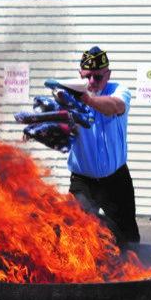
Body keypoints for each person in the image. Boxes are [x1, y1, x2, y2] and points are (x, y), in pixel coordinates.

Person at [58, 46, 140, 248]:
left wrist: (86, 98)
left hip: (116, 180)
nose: (92, 82)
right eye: (87, 77)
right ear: (80, 75)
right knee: (80, 225)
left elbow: (114, 107)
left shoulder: (120, 91)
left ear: (108, 74)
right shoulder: (69, 97)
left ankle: (135, 274)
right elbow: (57, 127)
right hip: (83, 180)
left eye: (98, 77)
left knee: (129, 236)